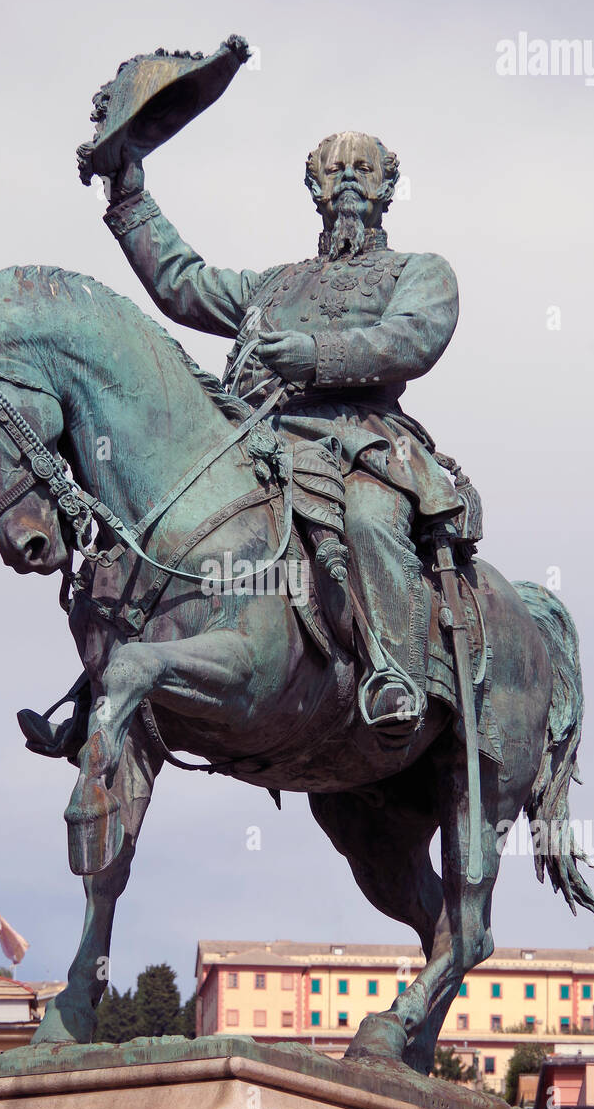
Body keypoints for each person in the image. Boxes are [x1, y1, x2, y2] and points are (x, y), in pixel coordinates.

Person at [99, 130, 470, 739]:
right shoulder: (270, 285)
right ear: (315, 188)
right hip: (259, 441)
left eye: (363, 168)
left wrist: (314, 353)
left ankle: (393, 673)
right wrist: (130, 192)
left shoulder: (420, 271)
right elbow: (181, 282)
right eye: (334, 168)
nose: (348, 176)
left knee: (371, 519)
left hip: (361, 442)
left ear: (386, 187)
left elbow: (411, 339)